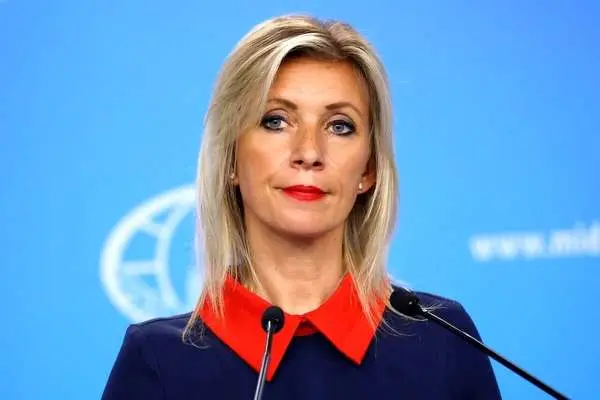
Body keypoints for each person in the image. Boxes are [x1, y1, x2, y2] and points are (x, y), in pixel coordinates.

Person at [102, 14, 501, 399]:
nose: (309, 152)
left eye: (339, 126)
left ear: (369, 169)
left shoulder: (442, 340)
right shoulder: (157, 360)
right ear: (230, 160)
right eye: (276, 121)